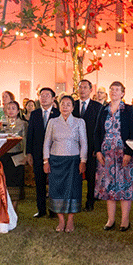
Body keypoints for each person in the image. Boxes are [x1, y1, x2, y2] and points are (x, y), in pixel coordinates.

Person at [94, 81, 133, 232]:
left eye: (117, 90)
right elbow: (97, 132)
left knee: (125, 186)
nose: (114, 92)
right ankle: (111, 219)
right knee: (109, 186)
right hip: (106, 155)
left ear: (123, 93)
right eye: (112, 89)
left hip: (123, 153)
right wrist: (98, 151)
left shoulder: (128, 110)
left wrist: (129, 153)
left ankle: (125, 220)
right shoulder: (103, 109)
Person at [43, 95, 88, 232]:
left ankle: (70, 221)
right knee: (56, 190)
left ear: (73, 108)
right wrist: (46, 160)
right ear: (59, 106)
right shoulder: (53, 122)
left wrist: (83, 160)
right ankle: (61, 220)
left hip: (73, 161)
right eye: (63, 104)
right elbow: (47, 142)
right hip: (56, 161)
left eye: (68, 104)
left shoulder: (79, 122)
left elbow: (84, 143)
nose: (65, 107)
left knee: (73, 190)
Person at [26, 87, 60, 218]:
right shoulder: (35, 114)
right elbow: (30, 134)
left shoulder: (58, 113)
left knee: (54, 182)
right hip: (37, 153)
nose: (44, 98)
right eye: (42, 95)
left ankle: (53, 210)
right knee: (39, 182)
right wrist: (29, 153)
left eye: (47, 95)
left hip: (54, 153)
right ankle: (41, 210)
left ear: (53, 99)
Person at [72, 79, 102, 211]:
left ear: (90, 90)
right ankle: (75, 201)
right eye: (80, 87)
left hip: (91, 146)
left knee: (90, 175)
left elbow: (100, 129)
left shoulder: (97, 107)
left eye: (85, 87)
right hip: (73, 146)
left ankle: (90, 201)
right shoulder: (72, 105)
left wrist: (97, 148)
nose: (82, 90)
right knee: (75, 175)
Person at [0, 100, 27, 210]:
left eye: (13, 108)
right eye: (8, 108)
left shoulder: (23, 124)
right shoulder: (1, 123)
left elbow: (26, 141)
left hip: (17, 156)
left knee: (16, 182)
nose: (11, 111)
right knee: (4, 181)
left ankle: (14, 207)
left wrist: (25, 156)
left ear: (18, 111)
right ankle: (5, 208)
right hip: (4, 156)